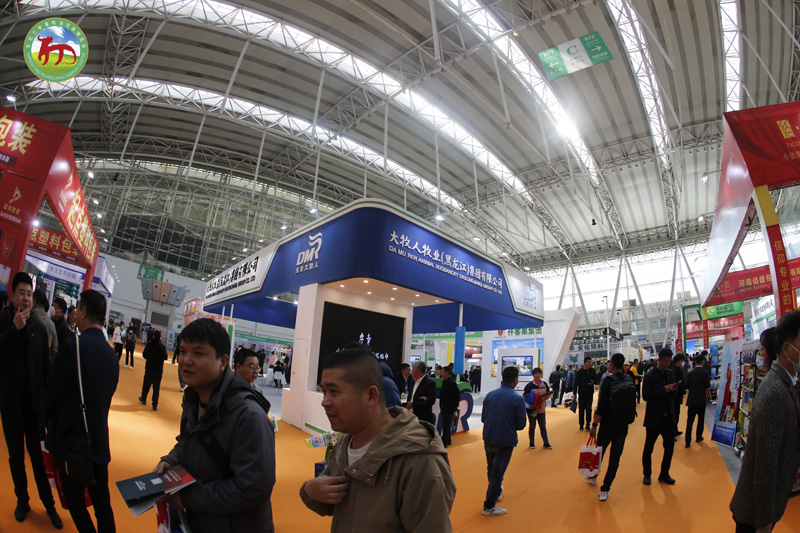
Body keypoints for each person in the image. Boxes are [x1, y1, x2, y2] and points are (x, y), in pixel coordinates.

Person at [300, 345, 455, 531]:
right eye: (324, 392)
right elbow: (336, 501)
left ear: (371, 395)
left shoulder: (418, 460)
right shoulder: (346, 442)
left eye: (334, 392)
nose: (325, 402)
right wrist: (309, 491)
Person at [155, 318, 275, 532]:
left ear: (222, 362)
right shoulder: (194, 398)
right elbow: (190, 441)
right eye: (182, 352)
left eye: (198, 353)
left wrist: (189, 496)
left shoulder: (249, 416)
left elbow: (253, 489)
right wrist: (170, 460)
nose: (186, 361)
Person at [47, 289, 119, 533]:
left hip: (73, 441)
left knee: (76, 502)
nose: (75, 313)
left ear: (84, 311)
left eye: (77, 308)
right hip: (99, 440)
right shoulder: (111, 355)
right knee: (102, 505)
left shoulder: (73, 346)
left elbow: (53, 392)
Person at [0, 272, 62, 528]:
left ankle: (49, 505)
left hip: (33, 408)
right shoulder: (4, 321)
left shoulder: (38, 326)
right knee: (16, 459)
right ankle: (22, 500)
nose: (25, 298)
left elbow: (46, 368)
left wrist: (47, 409)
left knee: (38, 460)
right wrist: (14, 329)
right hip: (10, 406)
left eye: (28, 293)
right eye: (21, 293)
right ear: (13, 295)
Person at [730, 311, 800, 533]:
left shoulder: (785, 383)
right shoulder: (775, 392)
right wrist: (764, 524)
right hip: (755, 515)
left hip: (766, 508)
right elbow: (765, 467)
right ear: (787, 349)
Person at [587, 353, 636, 501]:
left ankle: (593, 476)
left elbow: (601, 406)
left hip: (608, 424)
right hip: (623, 424)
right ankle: (605, 489)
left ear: (613, 364)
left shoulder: (608, 381)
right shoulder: (629, 378)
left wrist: (594, 425)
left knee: (600, 452)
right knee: (615, 458)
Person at [480, 365, 526, 516]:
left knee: (491, 470)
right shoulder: (517, 399)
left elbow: (483, 418)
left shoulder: (490, 395)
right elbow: (521, 425)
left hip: (489, 437)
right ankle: (489, 506)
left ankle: (496, 492)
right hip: (505, 440)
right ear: (515, 380)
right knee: (497, 474)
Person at [641, 347, 678, 486]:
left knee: (669, 447)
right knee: (649, 447)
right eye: (665, 362)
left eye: (669, 362)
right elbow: (646, 396)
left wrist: (674, 390)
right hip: (654, 417)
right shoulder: (649, 375)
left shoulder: (670, 373)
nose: (667, 364)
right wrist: (663, 390)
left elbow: (674, 394)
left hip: (668, 417)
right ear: (659, 360)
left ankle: (664, 473)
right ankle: (647, 474)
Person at [684, 352, 711, 447]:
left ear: (695, 362)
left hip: (692, 400)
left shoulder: (690, 373)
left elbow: (686, 385)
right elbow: (707, 385)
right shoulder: (705, 373)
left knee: (690, 421)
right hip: (701, 400)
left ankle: (687, 441)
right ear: (703, 362)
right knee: (701, 420)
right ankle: (698, 437)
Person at [139, 329, 168, 411]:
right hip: (158, 369)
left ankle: (143, 398)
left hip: (149, 368)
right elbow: (166, 357)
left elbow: (144, 355)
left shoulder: (150, 344)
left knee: (146, 384)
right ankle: (154, 404)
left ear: (153, 336)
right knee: (156, 387)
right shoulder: (162, 347)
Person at [523, 368, 552, 449]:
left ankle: (546, 442)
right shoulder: (529, 385)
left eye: (539, 373)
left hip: (541, 409)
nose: (537, 375)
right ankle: (531, 443)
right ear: (533, 375)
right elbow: (525, 396)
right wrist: (533, 399)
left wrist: (544, 398)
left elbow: (548, 394)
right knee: (532, 426)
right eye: (536, 373)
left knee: (543, 426)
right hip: (532, 409)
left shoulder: (544, 384)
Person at [32, 289, 58, 361]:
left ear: (34, 301)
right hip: (43, 363)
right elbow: (54, 350)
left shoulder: (27, 316)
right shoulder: (51, 325)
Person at [439, 366, 461, 448]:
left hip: (449, 407)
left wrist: (454, 406)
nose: (441, 373)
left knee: (446, 425)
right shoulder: (444, 382)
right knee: (446, 424)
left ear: (447, 373)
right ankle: (448, 440)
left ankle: (444, 442)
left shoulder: (452, 383)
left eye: (442, 371)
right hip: (444, 406)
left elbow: (456, 396)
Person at [575, 357, 598, 431]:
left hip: (589, 394)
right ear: (584, 363)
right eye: (588, 362)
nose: (590, 364)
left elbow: (596, 379)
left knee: (588, 409)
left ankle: (588, 424)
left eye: (590, 362)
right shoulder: (580, 372)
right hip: (581, 394)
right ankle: (581, 425)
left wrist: (593, 382)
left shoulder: (592, 371)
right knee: (581, 410)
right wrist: (574, 393)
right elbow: (576, 383)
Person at [671, 353, 686, 436]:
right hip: (675, 396)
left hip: (677, 395)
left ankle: (675, 430)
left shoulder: (677, 370)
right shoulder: (675, 371)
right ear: (678, 361)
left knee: (677, 413)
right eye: (682, 361)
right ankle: (673, 431)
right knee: (675, 414)